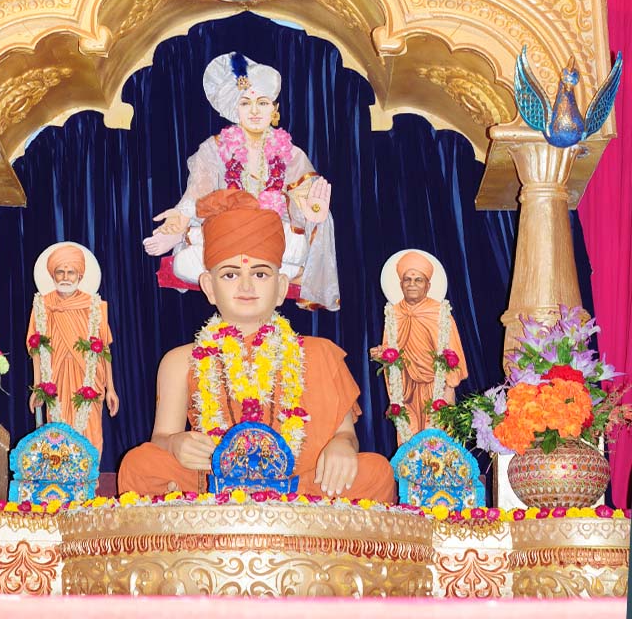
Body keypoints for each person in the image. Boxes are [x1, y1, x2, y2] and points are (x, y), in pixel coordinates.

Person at [120, 189, 395, 501]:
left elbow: (345, 434)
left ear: (280, 287)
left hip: (300, 484)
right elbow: (161, 437)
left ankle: (276, 508)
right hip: (212, 483)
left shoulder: (319, 353)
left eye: (261, 273)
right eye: (230, 275)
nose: (246, 285)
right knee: (139, 465)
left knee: (376, 472)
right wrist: (175, 444)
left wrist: (342, 446)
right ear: (209, 287)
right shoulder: (181, 360)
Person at [143, 52, 339, 311]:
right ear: (236, 109)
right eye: (246, 103)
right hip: (227, 230)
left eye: (263, 103)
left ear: (274, 109)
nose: (254, 111)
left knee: (296, 246)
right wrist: (178, 223)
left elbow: (307, 204)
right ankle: (269, 269)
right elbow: (196, 195)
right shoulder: (213, 149)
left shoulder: (292, 154)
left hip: (272, 233)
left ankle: (255, 266)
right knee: (183, 263)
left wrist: (314, 213)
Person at [27, 242, 119, 458]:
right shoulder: (42, 305)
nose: (65, 277)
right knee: (56, 427)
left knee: (91, 429)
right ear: (52, 275)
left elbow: (104, 349)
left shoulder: (95, 306)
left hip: (89, 380)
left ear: (80, 275)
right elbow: (36, 349)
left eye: (71, 272)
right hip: (55, 380)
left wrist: (111, 389)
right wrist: (38, 387)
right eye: (60, 271)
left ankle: (90, 476)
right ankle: (60, 474)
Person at [373, 250, 468, 439]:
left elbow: (453, 354)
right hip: (405, 388)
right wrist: (381, 353)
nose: (412, 284)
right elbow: (391, 350)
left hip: (436, 387)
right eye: (407, 279)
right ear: (400, 284)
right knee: (408, 438)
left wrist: (449, 388)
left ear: (428, 285)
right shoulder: (394, 314)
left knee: (436, 438)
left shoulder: (439, 313)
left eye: (418, 280)